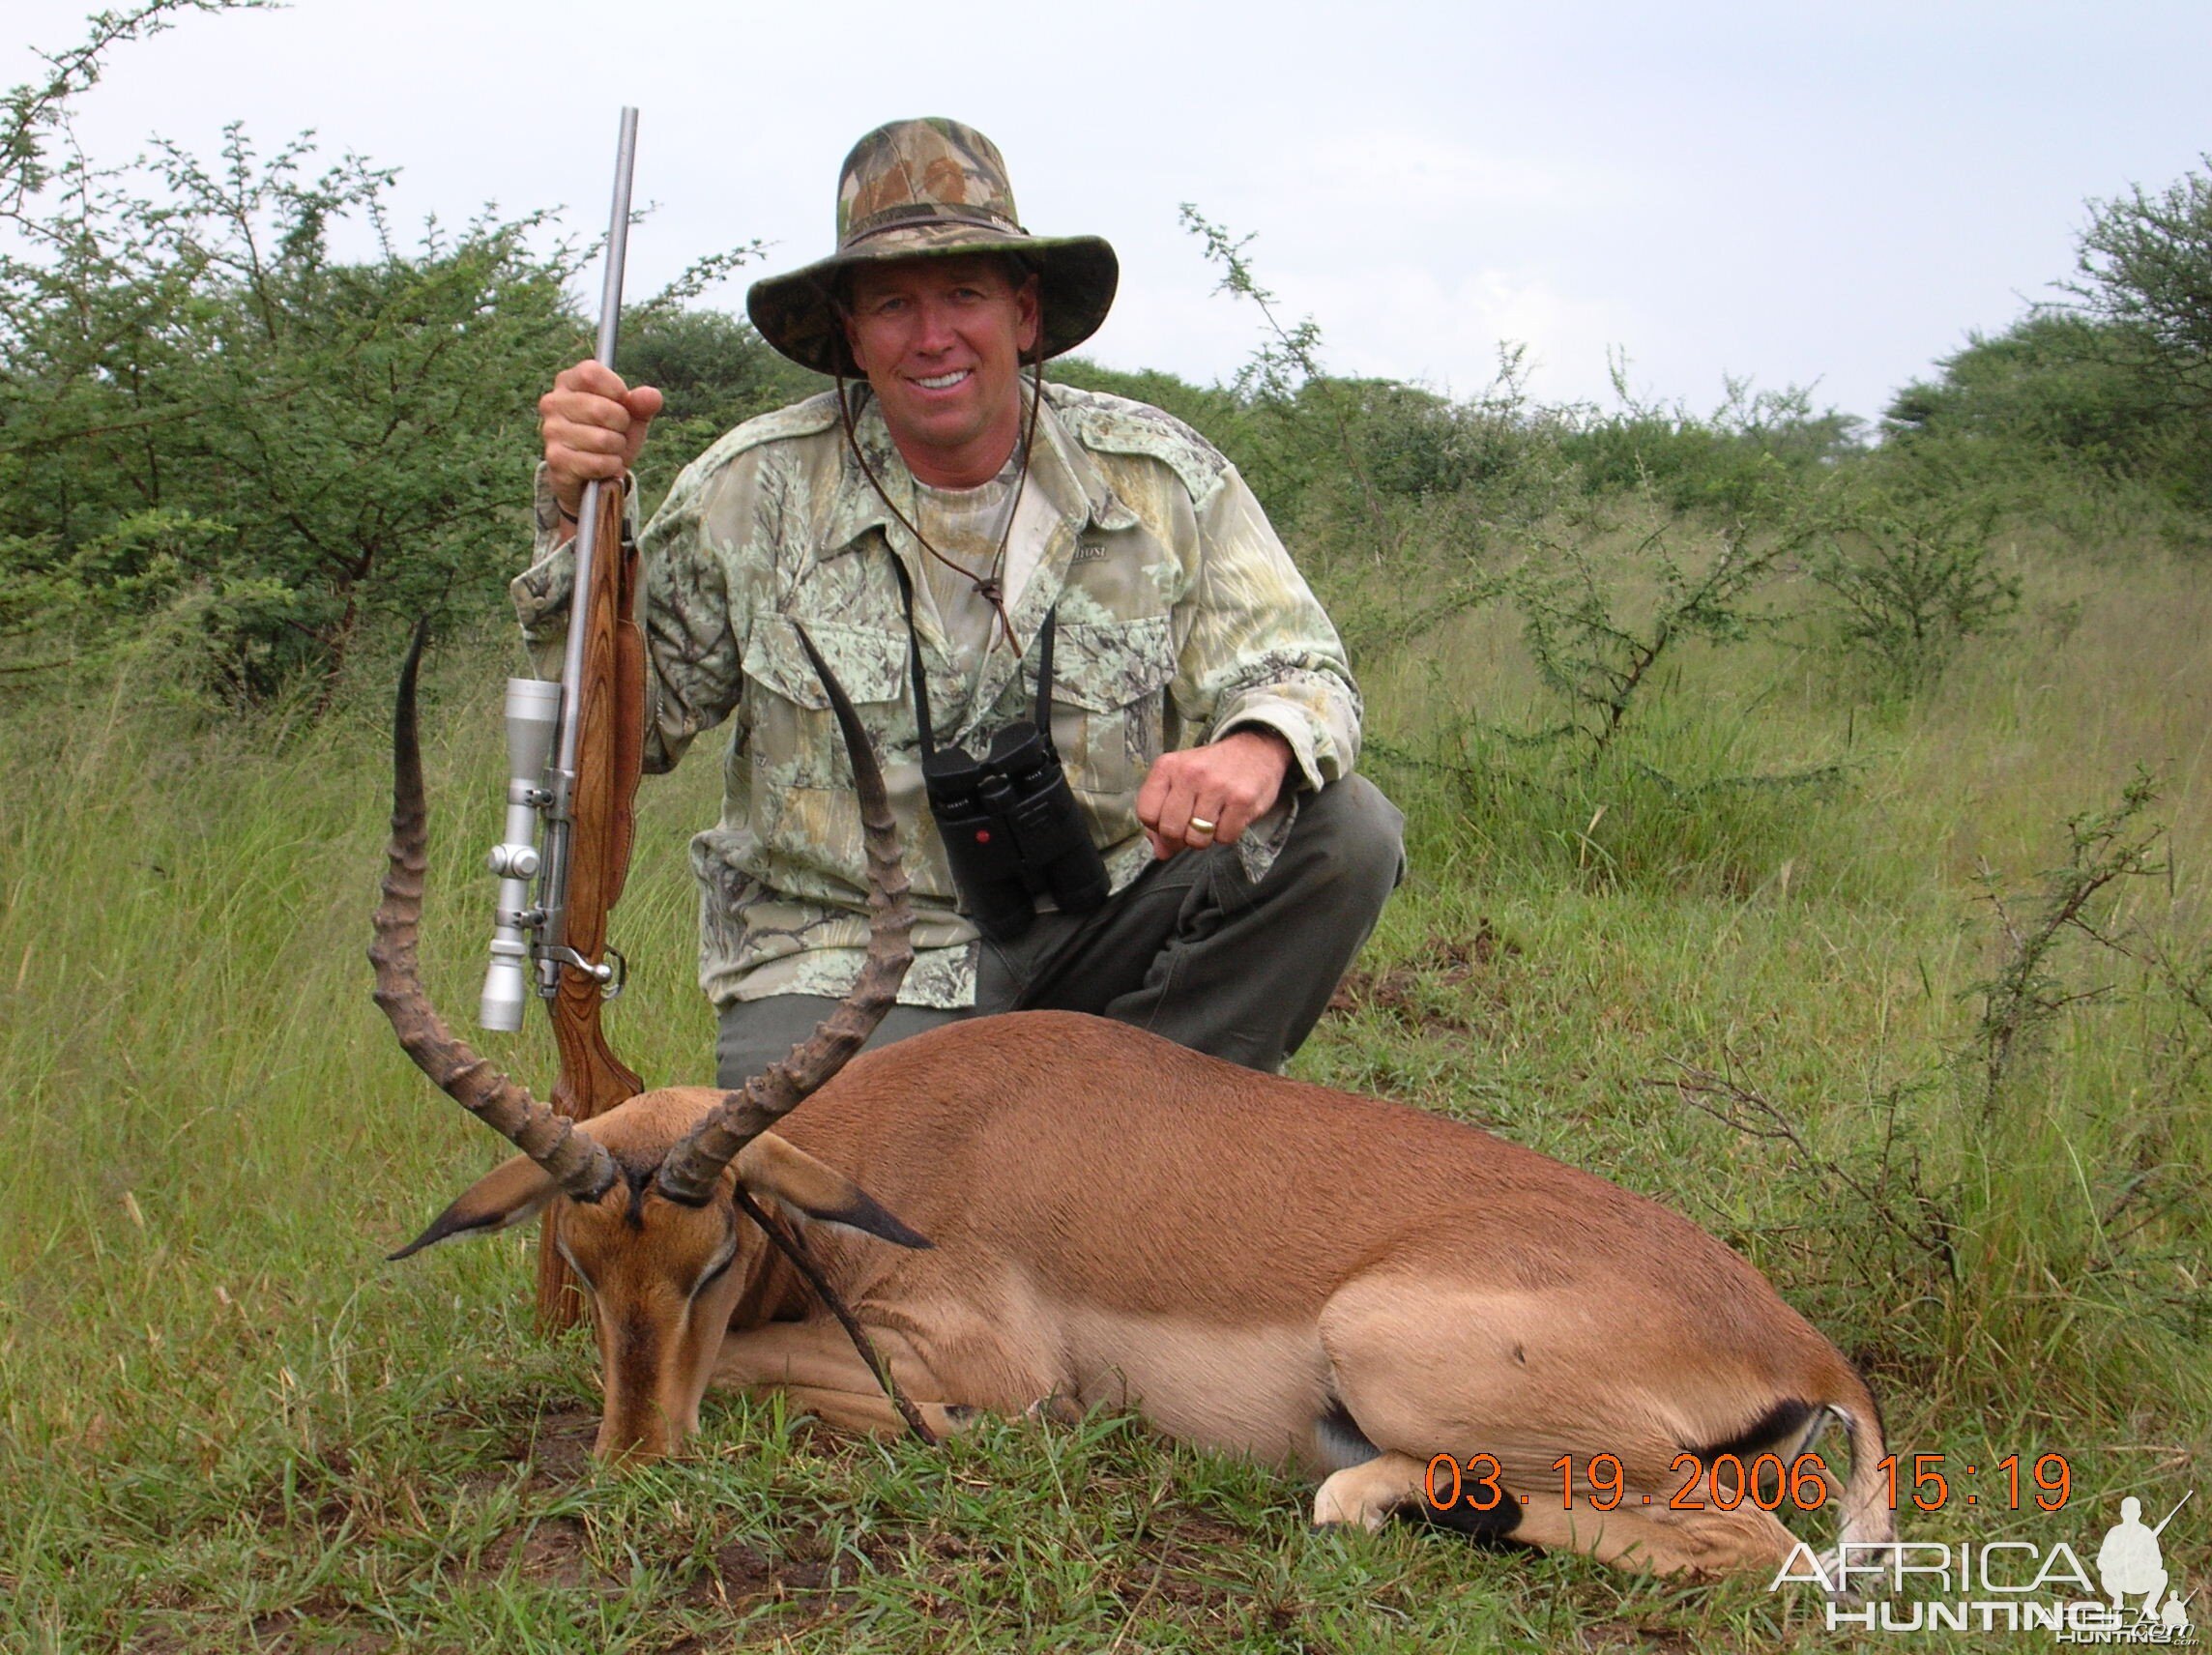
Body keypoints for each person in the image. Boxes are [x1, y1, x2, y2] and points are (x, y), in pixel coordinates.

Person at [520, 117, 1402, 1085]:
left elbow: (1300, 665)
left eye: (963, 294)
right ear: (851, 333)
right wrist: (580, 523)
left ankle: (1133, 1125)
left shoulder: (1156, 475)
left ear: (1023, 313)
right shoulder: (750, 488)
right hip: (841, 950)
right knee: (816, 1215)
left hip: (1099, 911)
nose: (932, 335)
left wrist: (1254, 742)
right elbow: (622, 734)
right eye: (893, 302)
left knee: (1341, 832)